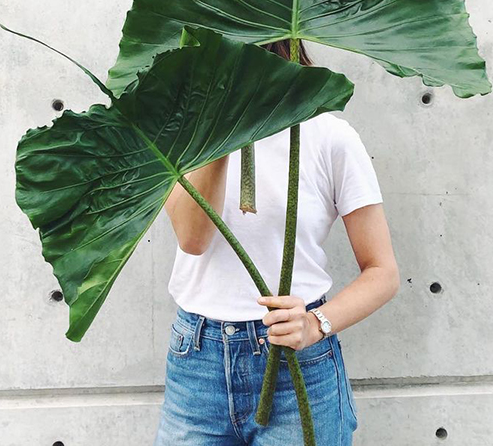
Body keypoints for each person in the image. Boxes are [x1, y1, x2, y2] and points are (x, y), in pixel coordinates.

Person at [152, 39, 400, 445]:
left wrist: (316, 325)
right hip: (197, 361)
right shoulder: (185, 132)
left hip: (296, 360)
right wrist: (221, 128)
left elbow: (383, 272)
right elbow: (193, 240)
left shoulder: (329, 136)